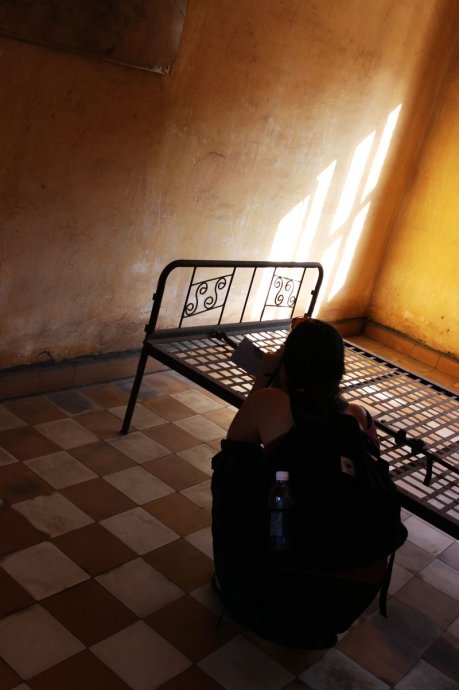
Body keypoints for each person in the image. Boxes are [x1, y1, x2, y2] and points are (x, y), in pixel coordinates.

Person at [211, 318, 389, 648]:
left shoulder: (271, 402)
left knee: (233, 465)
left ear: (288, 362)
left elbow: (236, 443)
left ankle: (234, 578)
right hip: (352, 595)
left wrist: (265, 377)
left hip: (283, 593)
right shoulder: (360, 416)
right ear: (338, 369)